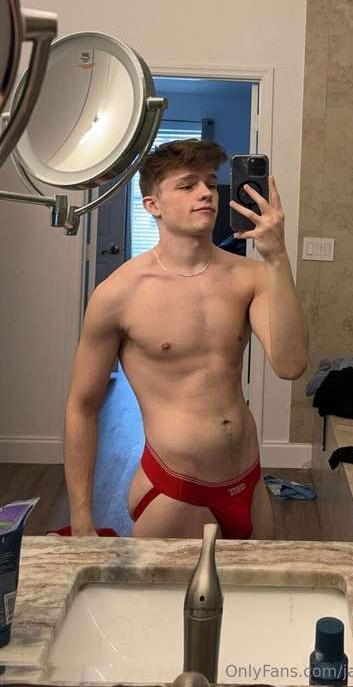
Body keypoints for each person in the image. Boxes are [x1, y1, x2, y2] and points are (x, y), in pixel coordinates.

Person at [64, 139, 309, 539]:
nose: (206, 193)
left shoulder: (251, 276)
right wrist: (81, 520)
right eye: (187, 185)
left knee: (250, 583)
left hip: (248, 484)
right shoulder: (119, 294)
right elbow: (82, 406)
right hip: (175, 491)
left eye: (211, 183)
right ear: (152, 205)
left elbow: (291, 365)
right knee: (169, 586)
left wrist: (277, 257)